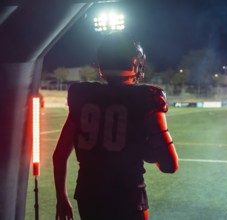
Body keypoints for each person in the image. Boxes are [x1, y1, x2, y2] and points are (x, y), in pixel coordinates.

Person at [53, 31, 179, 220]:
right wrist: (148, 147)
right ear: (134, 62)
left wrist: (61, 197)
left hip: (89, 196)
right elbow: (170, 165)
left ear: (101, 62)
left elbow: (59, 155)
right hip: (128, 196)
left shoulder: (83, 96)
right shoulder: (146, 98)